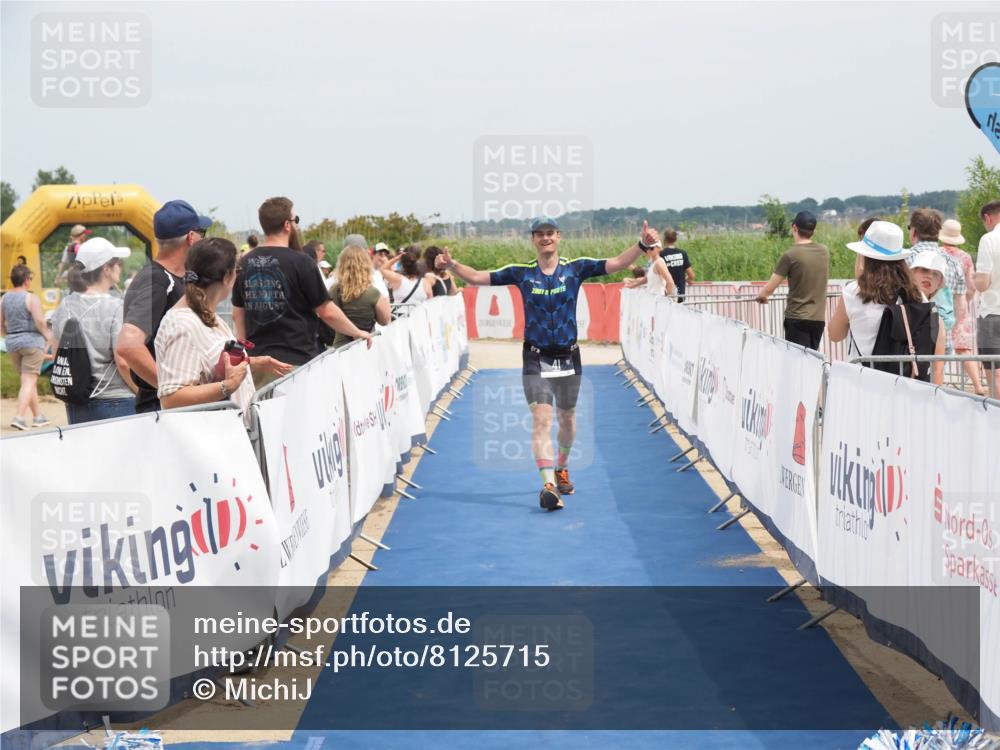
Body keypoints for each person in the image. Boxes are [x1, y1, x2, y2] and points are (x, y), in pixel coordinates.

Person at [436, 215, 655, 511]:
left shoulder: (576, 268)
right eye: (540, 234)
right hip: (536, 356)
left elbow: (615, 263)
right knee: (541, 420)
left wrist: (642, 245)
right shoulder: (522, 273)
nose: (545, 238)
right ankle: (548, 484)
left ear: (559, 236)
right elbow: (477, 278)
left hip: (568, 355)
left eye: (550, 233)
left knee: (567, 419)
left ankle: (562, 468)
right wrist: (452, 266)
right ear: (533, 239)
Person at [231, 197, 372, 388]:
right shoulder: (302, 262)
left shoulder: (244, 263)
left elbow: (237, 313)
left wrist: (246, 353)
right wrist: (356, 332)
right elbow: (326, 311)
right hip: (295, 363)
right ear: (287, 225)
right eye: (295, 220)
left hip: (259, 362)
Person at [116, 200, 210, 414]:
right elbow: (128, 345)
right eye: (202, 232)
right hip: (163, 407)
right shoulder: (157, 280)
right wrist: (170, 389)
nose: (204, 239)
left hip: (172, 405)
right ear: (190, 237)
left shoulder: (174, 278)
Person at [155, 238, 256, 413]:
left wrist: (253, 363)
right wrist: (228, 386)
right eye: (236, 271)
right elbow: (172, 398)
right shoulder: (182, 325)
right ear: (226, 277)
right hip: (209, 437)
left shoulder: (203, 314)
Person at [828, 221, 944, 368]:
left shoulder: (855, 292)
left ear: (866, 257)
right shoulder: (916, 293)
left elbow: (835, 334)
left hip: (863, 380)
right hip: (904, 382)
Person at [50, 238, 137, 423]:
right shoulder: (116, 307)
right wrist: (141, 392)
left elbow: (56, 352)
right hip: (115, 399)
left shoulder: (64, 305)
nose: (120, 268)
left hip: (76, 400)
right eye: (118, 263)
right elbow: (121, 360)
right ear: (106, 268)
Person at [755, 211, 829, 350]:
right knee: (812, 362)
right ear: (813, 230)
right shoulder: (824, 251)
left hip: (797, 318)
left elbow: (770, 287)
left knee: (797, 365)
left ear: (794, 227)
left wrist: (762, 296)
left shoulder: (790, 255)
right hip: (818, 319)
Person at [905, 209, 969, 360]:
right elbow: (961, 306)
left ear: (914, 231)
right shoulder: (954, 263)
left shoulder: (904, 260)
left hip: (909, 339)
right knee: (936, 382)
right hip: (943, 338)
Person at [0, 265, 55, 429]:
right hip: (32, 342)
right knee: (29, 380)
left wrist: (9, 336)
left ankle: (38, 416)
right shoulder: (31, 298)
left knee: (27, 381)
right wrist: (49, 337)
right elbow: (39, 321)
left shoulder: (4, 299)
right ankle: (19, 417)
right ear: (26, 280)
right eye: (30, 278)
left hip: (13, 343)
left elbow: (0, 324)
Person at [938, 219, 982, 393]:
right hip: (960, 303)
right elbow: (971, 287)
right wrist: (966, 300)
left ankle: (938, 383)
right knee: (963, 347)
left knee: (939, 344)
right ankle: (978, 385)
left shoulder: (937, 253)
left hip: (941, 303)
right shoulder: (965, 257)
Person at [328, 245, 392, 348]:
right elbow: (384, 320)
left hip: (340, 347)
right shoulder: (373, 292)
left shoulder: (334, 290)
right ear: (366, 264)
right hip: (368, 345)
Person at [909, 251, 952, 386]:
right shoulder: (895, 304)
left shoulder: (936, 318)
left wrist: (937, 400)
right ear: (912, 273)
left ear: (940, 282)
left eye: (936, 273)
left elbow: (937, 368)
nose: (929, 276)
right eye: (924, 270)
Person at [974, 200, 1000, 397]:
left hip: (993, 313)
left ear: (988, 218)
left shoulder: (990, 239)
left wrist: (975, 280)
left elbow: (983, 282)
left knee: (996, 376)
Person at [380, 245, 433, 313]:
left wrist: (397, 258)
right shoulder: (425, 283)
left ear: (402, 266)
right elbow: (431, 305)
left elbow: (382, 269)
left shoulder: (398, 279)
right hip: (419, 319)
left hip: (399, 319)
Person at [659, 229, 694, 301]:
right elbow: (692, 275)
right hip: (680, 294)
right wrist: (686, 280)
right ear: (675, 240)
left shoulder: (661, 254)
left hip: (666, 294)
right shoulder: (683, 253)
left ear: (664, 239)